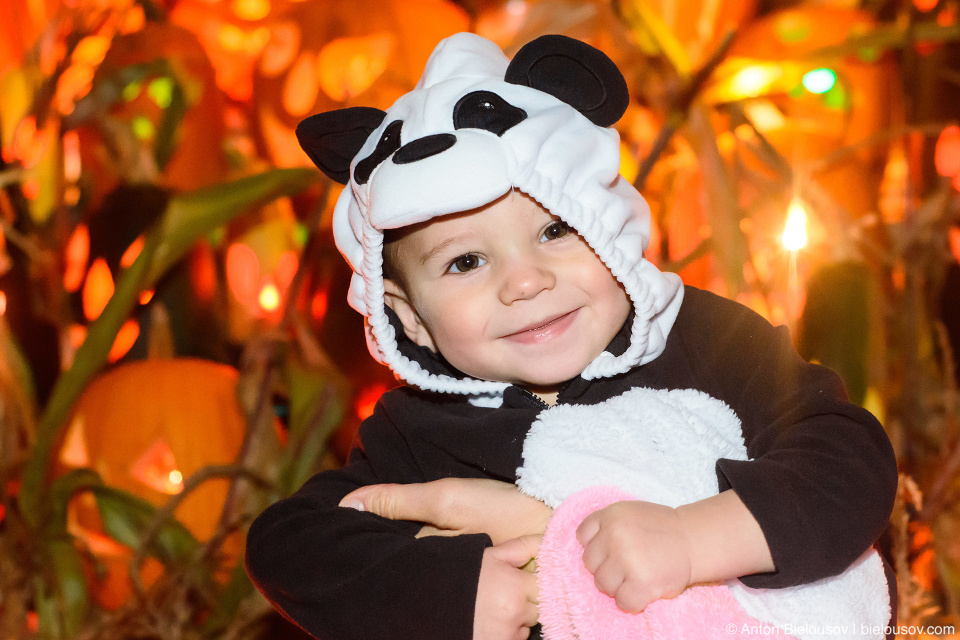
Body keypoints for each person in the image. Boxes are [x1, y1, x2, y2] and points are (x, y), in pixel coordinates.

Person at [245, 33, 898, 640]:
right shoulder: (418, 432)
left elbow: (849, 454)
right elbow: (287, 545)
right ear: (408, 317)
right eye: (465, 262)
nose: (525, 281)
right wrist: (451, 591)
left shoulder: (706, 338)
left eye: (555, 230)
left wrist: (697, 539)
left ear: (607, 223)